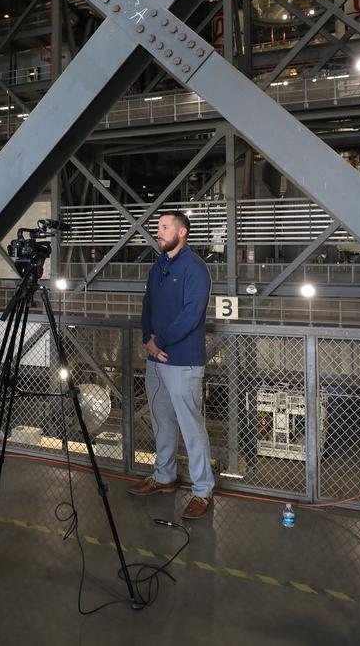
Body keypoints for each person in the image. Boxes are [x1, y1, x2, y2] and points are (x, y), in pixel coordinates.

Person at [129, 210, 215, 519]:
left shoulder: (195, 268)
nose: (159, 232)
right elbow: (147, 304)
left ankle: (203, 492)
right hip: (156, 359)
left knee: (191, 427)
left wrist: (160, 342)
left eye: (165, 227)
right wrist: (147, 340)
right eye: (158, 228)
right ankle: (163, 477)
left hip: (182, 362)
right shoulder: (158, 267)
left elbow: (192, 314)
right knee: (162, 422)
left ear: (182, 233)